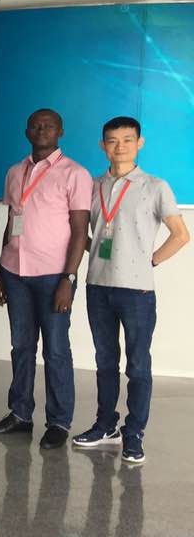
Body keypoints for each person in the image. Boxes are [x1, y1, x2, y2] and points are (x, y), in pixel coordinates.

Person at [71, 116, 189, 465]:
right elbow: (81, 233)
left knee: (137, 365)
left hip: (137, 292)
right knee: (105, 361)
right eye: (112, 140)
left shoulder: (155, 186)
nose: (119, 146)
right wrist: (94, 250)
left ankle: (134, 432)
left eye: (127, 139)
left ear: (139, 143)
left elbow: (181, 235)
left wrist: (149, 261)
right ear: (102, 146)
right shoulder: (92, 186)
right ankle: (105, 425)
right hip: (98, 287)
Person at [0, 109, 91, 450]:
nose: (42, 128)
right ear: (27, 130)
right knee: (21, 347)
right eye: (35, 124)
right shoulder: (14, 171)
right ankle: (20, 414)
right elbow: (11, 222)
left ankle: (59, 422)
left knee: (56, 350)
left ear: (61, 131)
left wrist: (69, 279)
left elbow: (80, 231)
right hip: (16, 273)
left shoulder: (75, 174)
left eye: (49, 125)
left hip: (53, 276)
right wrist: (1, 272)